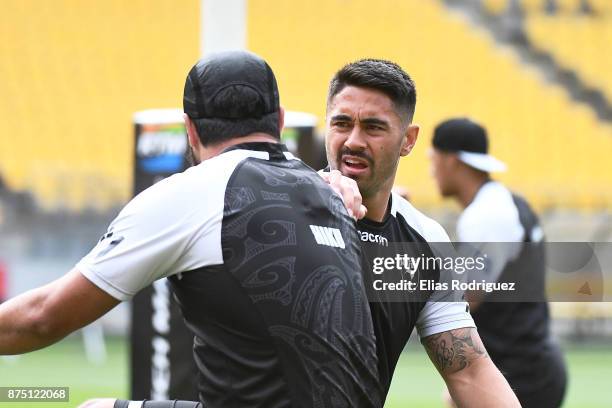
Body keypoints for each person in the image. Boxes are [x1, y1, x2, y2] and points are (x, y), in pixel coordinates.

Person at [0, 51, 383, 408]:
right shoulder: (331, 194)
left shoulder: (196, 191)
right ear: (280, 121)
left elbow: (42, 319)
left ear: (190, 130)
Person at [322, 59, 520, 407]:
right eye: (341, 123)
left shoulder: (424, 242)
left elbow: (468, 369)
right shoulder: (281, 208)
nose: (353, 141)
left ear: (408, 140)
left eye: (373, 127)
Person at [429, 117, 567, 407]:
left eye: (434, 160)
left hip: (520, 375)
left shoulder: (487, 215)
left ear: (452, 161)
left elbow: (466, 296)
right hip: (524, 365)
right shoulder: (503, 203)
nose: (431, 172)